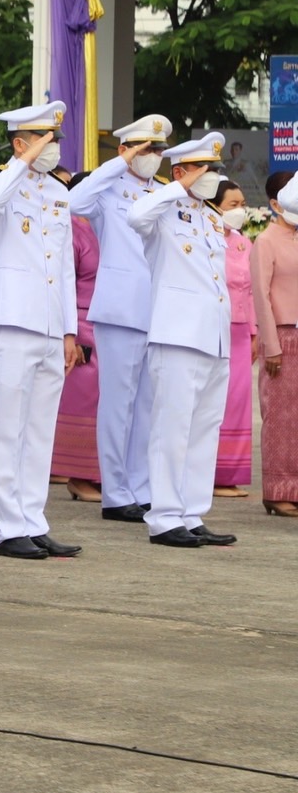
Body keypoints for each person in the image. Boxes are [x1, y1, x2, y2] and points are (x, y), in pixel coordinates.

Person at [0, 100, 82, 560]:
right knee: (9, 426)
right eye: (43, 139)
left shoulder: (57, 192)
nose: (52, 148)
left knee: (40, 429)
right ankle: (7, 526)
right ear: (20, 142)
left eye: (54, 140)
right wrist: (21, 161)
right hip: (11, 319)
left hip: (50, 323)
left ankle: (33, 520)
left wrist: (70, 331)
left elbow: (67, 266)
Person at [127, 133, 236, 548]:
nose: (212, 178)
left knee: (204, 429)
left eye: (214, 170)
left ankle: (192, 513)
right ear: (180, 172)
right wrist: (178, 186)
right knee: (171, 429)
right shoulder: (162, 209)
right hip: (176, 335)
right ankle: (165, 516)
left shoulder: (209, 217)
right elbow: (135, 216)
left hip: (213, 337)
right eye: (205, 170)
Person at [67, 115, 174, 522]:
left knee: (147, 405)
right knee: (117, 404)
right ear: (128, 148)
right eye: (148, 149)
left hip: (157, 308)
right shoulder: (108, 189)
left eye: (159, 150)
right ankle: (115, 492)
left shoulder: (162, 192)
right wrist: (119, 161)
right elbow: (75, 202)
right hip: (119, 308)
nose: (155, 157)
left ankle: (141, 487)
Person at [52, 174, 102, 501]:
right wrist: (71, 332)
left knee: (102, 404)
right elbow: (63, 283)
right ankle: (78, 475)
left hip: (104, 320)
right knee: (82, 403)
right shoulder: (71, 229)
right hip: (81, 321)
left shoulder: (101, 227)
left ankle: (98, 474)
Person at [252, 174, 298, 517]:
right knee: (280, 417)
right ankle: (277, 490)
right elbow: (261, 296)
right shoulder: (266, 241)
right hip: (283, 335)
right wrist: (271, 345)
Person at [211, 179, 255, 497]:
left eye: (242, 205)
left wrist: (254, 333)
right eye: (232, 205)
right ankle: (211, 474)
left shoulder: (244, 243)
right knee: (216, 401)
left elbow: (252, 291)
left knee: (239, 401)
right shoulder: (206, 239)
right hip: (214, 328)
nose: (239, 211)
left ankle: (231, 473)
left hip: (241, 332)